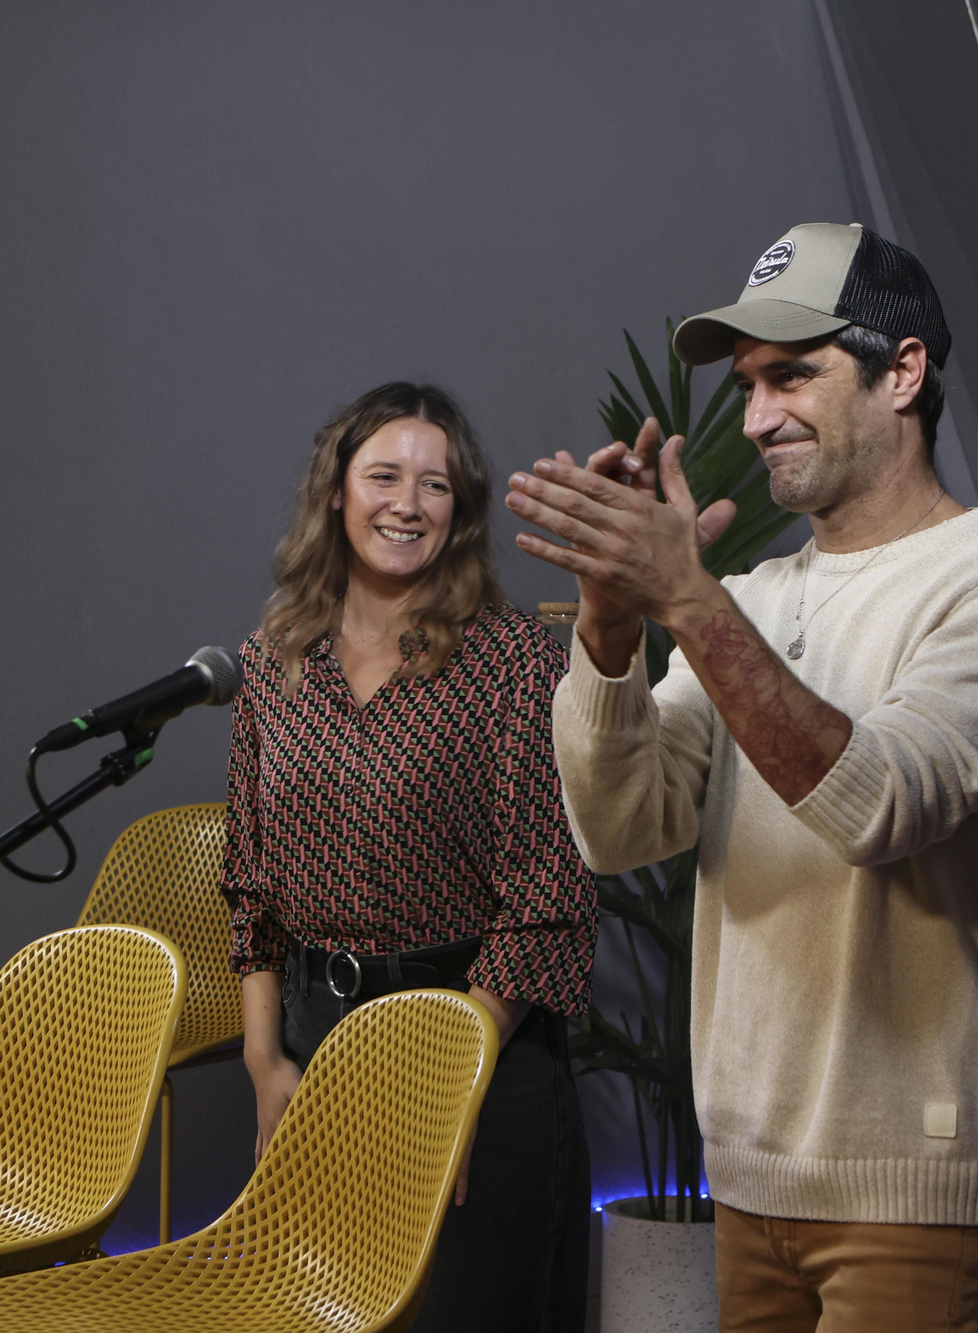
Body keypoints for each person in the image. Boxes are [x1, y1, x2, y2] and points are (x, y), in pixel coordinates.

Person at [506, 223, 978, 1331]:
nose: (758, 415)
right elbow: (622, 825)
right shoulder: (760, 598)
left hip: (914, 1185)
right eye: (745, 384)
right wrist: (609, 628)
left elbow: (875, 804)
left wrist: (687, 599)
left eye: (793, 375)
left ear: (904, 372)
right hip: (752, 1173)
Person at [219, 381, 596, 1332]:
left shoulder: (511, 659)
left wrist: (441, 1073)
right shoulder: (271, 660)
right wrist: (266, 1060)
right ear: (336, 494)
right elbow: (249, 886)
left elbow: (547, 896)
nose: (406, 503)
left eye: (434, 485)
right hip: (314, 1046)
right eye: (382, 475)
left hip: (472, 1040)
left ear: (460, 510)